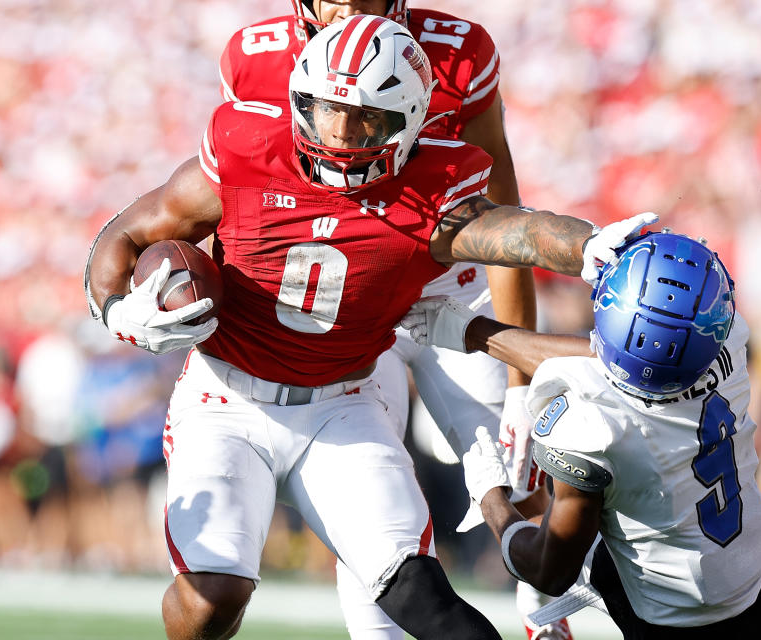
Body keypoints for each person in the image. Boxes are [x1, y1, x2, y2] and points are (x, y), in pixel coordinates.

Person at [85, 16, 654, 640]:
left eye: (366, 118)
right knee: (210, 599)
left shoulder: (430, 190)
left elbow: (517, 231)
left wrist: (591, 247)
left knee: (427, 603)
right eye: (327, 110)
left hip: (342, 403)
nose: (341, 133)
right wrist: (115, 307)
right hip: (227, 396)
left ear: (412, 119)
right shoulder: (248, 149)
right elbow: (131, 230)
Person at [220, 3, 557, 636]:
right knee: (373, 522)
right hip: (346, 312)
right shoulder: (255, 56)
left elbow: (503, 210)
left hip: (447, 292)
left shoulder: (457, 53)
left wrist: (519, 387)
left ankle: (549, 611)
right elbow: (233, 204)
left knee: (523, 478)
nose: (347, 4)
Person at [401, 231, 761, 639]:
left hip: (677, 621)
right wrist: (474, 332)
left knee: (559, 530)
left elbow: (551, 570)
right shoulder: (728, 340)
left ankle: (537, 613)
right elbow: (614, 362)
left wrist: (489, 497)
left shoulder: (596, 428)